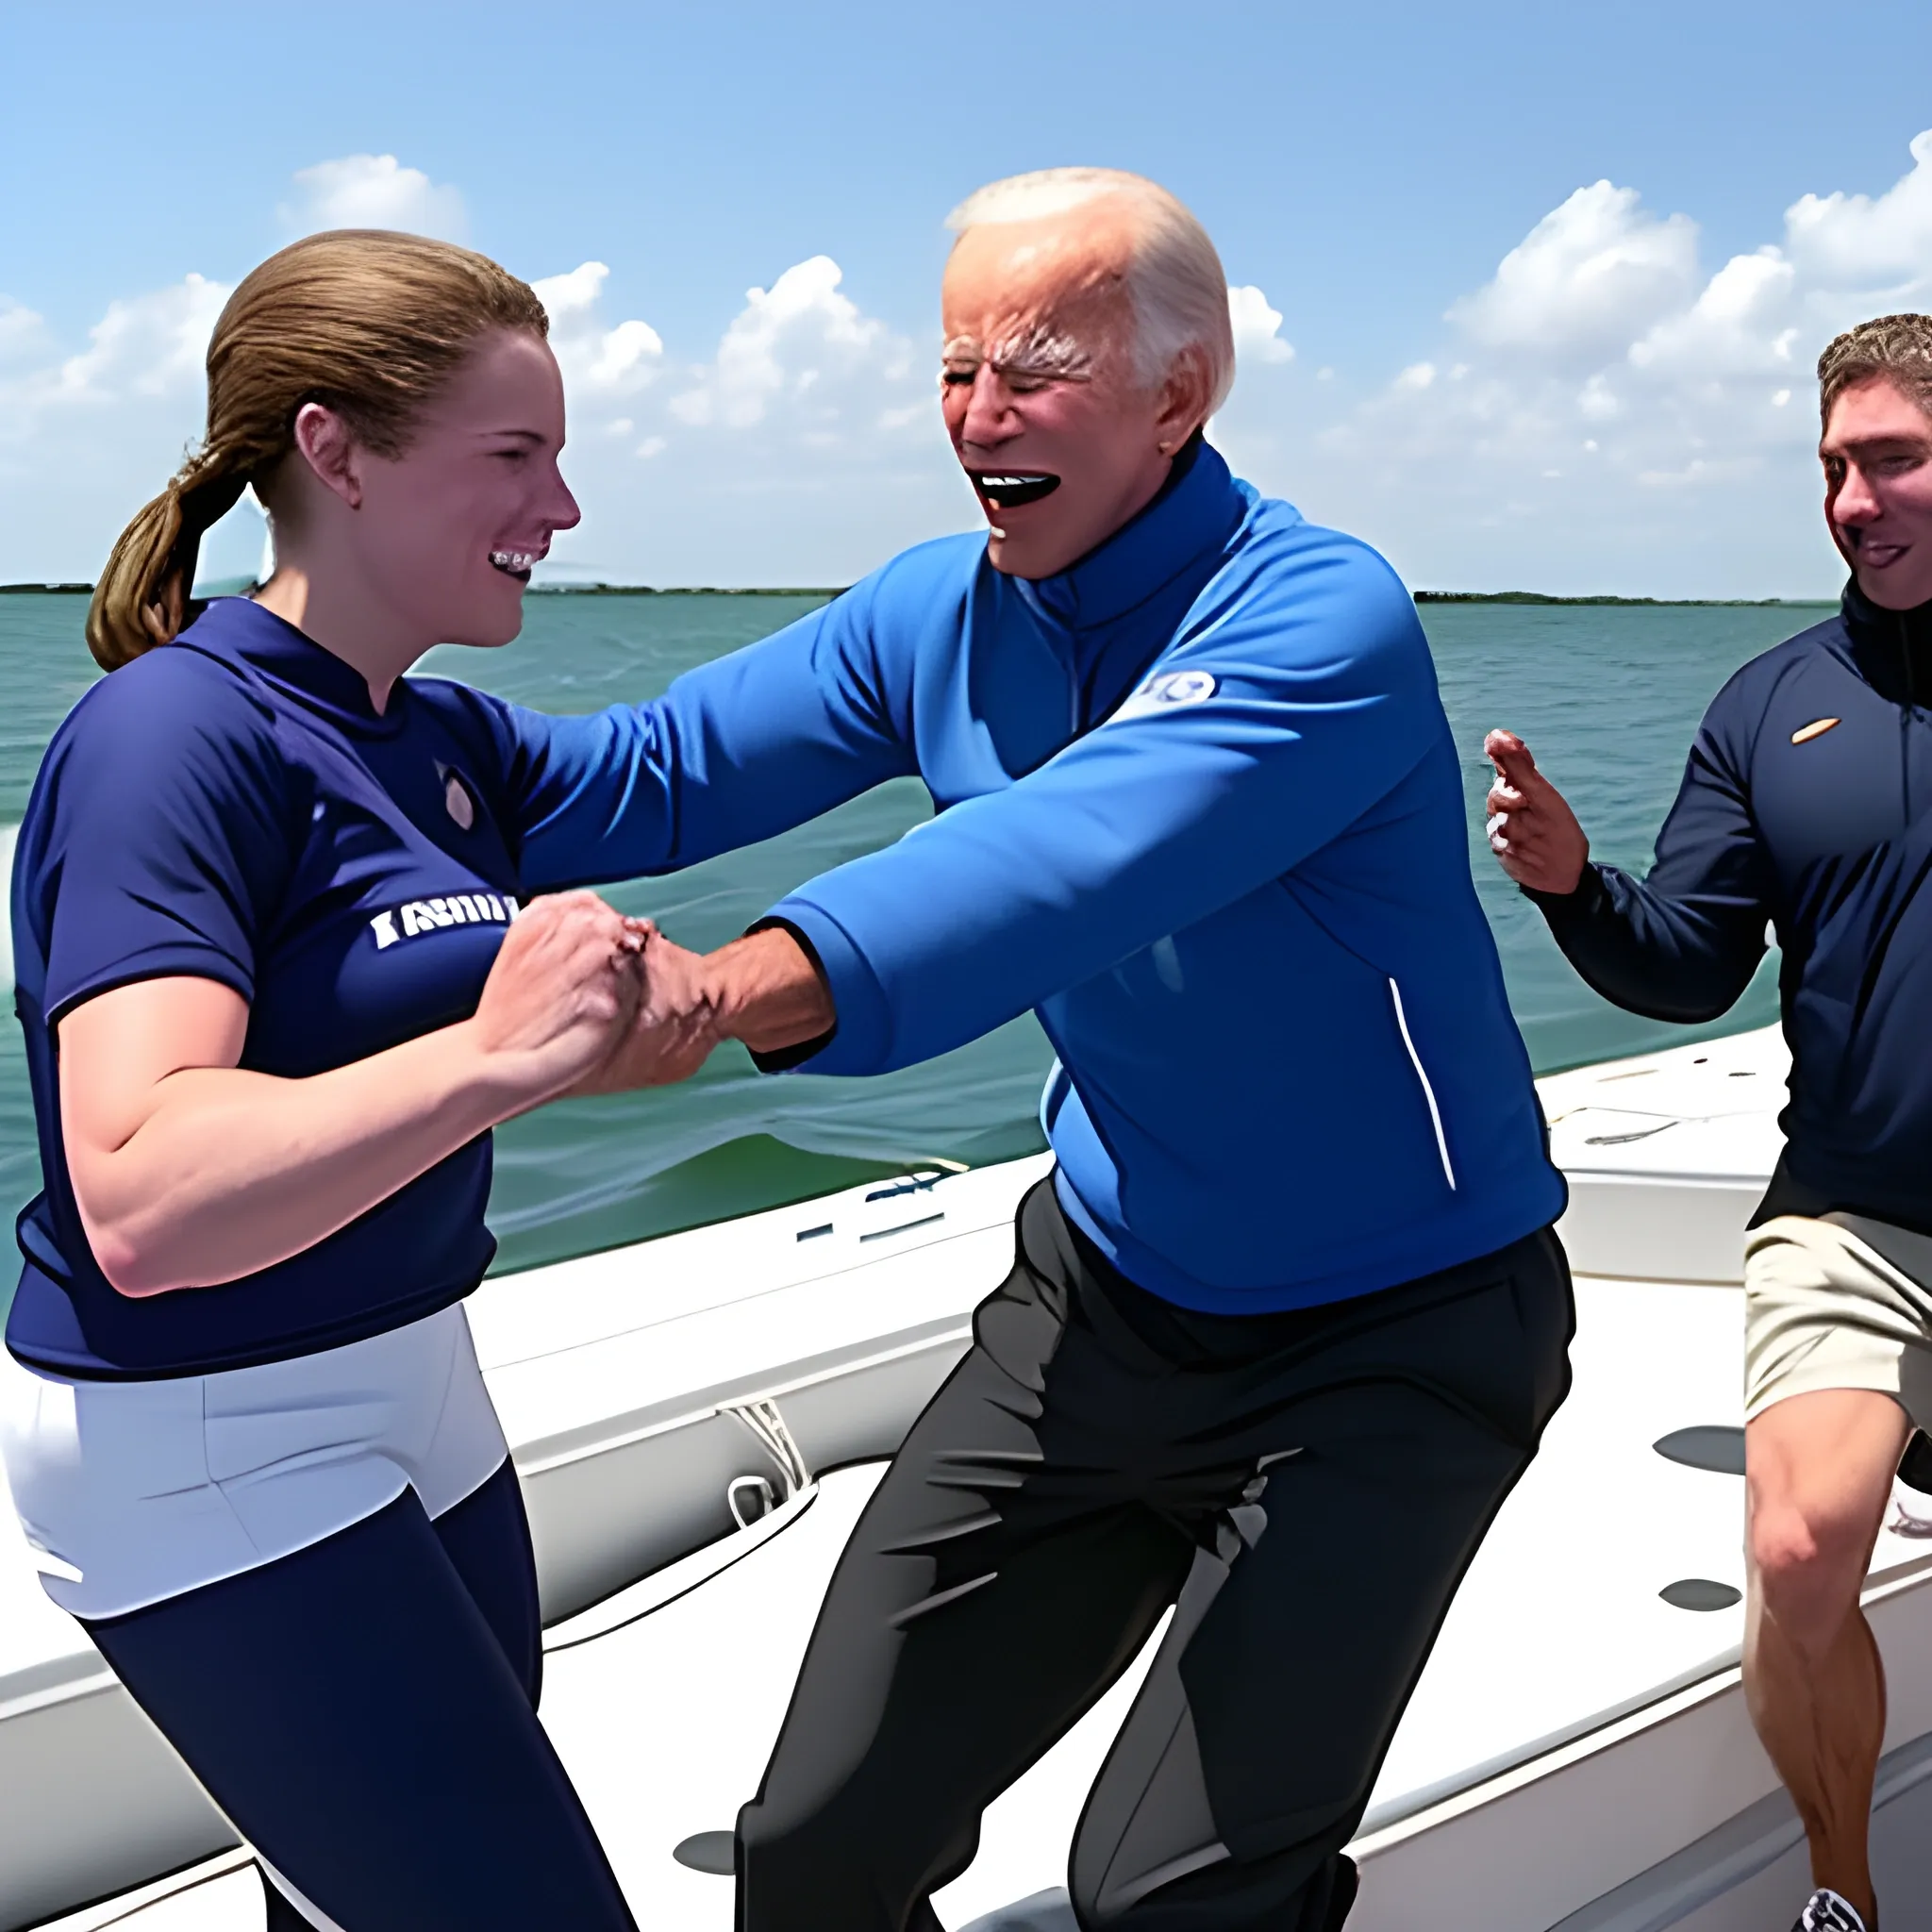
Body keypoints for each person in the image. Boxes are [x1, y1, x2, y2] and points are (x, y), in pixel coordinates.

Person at [575, 166, 1575, 1932]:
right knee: (813, 1848)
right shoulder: (936, 613)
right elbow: (645, 772)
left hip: (1394, 1341)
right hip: (1101, 1311)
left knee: (1167, 1900)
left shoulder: (1317, 618)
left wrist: (723, 994)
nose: (975, 418)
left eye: (1029, 368)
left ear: (1180, 394)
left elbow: (1054, 866)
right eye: (954, 370)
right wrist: (303, 739)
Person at [0, 230, 715, 1932]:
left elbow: (710, 758)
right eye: (515, 454)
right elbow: (146, 1193)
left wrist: (980, 606)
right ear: (336, 451)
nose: (564, 507)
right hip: (206, 1432)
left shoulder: (437, 735)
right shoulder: (175, 739)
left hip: (421, 1382)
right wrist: (493, 1054)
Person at [1484, 314, 1932, 1932]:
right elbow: (1685, 968)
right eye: (1833, 467)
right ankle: (1845, 1891)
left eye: (1894, 459)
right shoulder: (1769, 706)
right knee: (1804, 1547)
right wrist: (1570, 888)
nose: (1854, 500)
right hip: (1857, 1215)